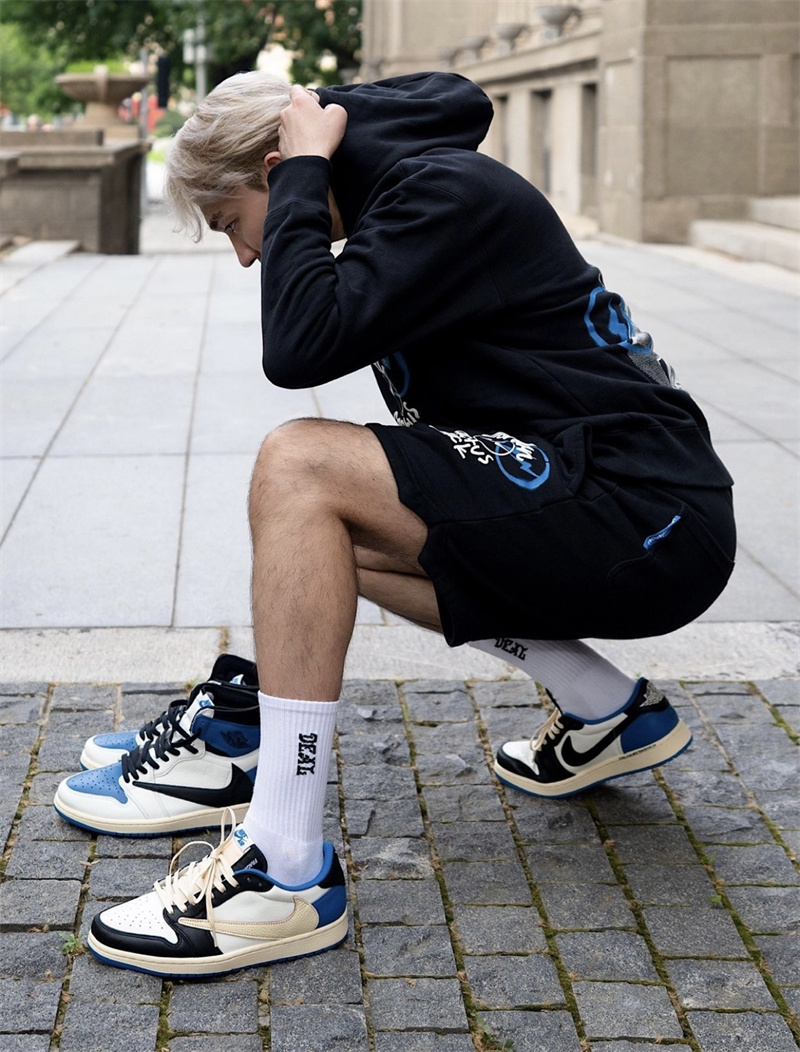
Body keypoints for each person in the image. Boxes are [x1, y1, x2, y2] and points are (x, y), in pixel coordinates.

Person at [53, 70, 736, 978]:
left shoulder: (440, 193)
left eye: (231, 224)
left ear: (276, 170)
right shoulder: (406, 194)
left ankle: (283, 867)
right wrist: (304, 167)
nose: (247, 256)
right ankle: (608, 710)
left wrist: (301, 176)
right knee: (326, 551)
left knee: (298, 467)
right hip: (599, 495)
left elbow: (299, 347)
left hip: (648, 511)